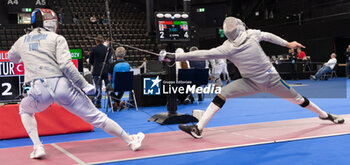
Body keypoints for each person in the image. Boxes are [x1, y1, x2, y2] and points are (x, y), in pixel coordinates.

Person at [164, 17, 344, 139]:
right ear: (241, 26)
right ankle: (198, 128)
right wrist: (287, 44)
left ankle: (325, 115)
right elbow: (268, 36)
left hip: (269, 80)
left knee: (298, 99)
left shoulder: (227, 47)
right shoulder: (250, 35)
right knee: (223, 93)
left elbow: (203, 54)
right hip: (252, 81)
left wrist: (174, 56)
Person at [8, 8, 144, 159]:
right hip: (61, 86)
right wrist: (85, 85)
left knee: (25, 110)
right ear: (51, 22)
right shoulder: (56, 38)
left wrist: (26, 56)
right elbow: (66, 65)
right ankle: (131, 141)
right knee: (97, 117)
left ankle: (38, 146)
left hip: (37, 89)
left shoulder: (21, 40)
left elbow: (11, 58)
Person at [89, 35, 110, 108]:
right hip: (106, 70)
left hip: (97, 70)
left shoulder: (94, 49)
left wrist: (95, 64)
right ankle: (110, 102)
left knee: (98, 87)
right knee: (108, 86)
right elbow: (108, 59)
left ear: (96, 41)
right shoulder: (107, 49)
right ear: (103, 41)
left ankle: (98, 103)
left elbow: (90, 60)